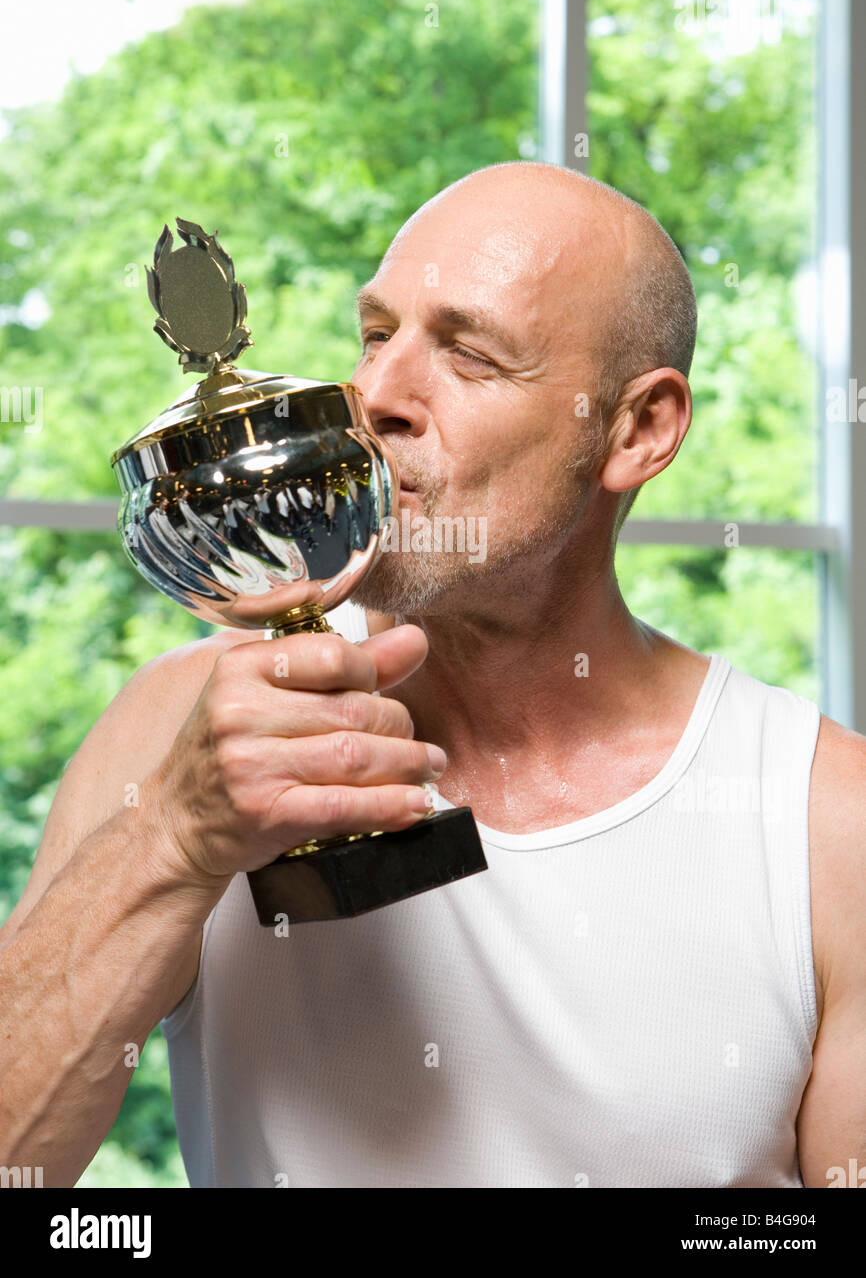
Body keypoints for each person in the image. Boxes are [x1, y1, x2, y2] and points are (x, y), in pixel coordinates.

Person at [1, 161, 863, 1188]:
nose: (372, 397)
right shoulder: (188, 728)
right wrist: (173, 840)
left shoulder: (823, 821)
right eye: (375, 335)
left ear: (636, 430)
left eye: (468, 355)